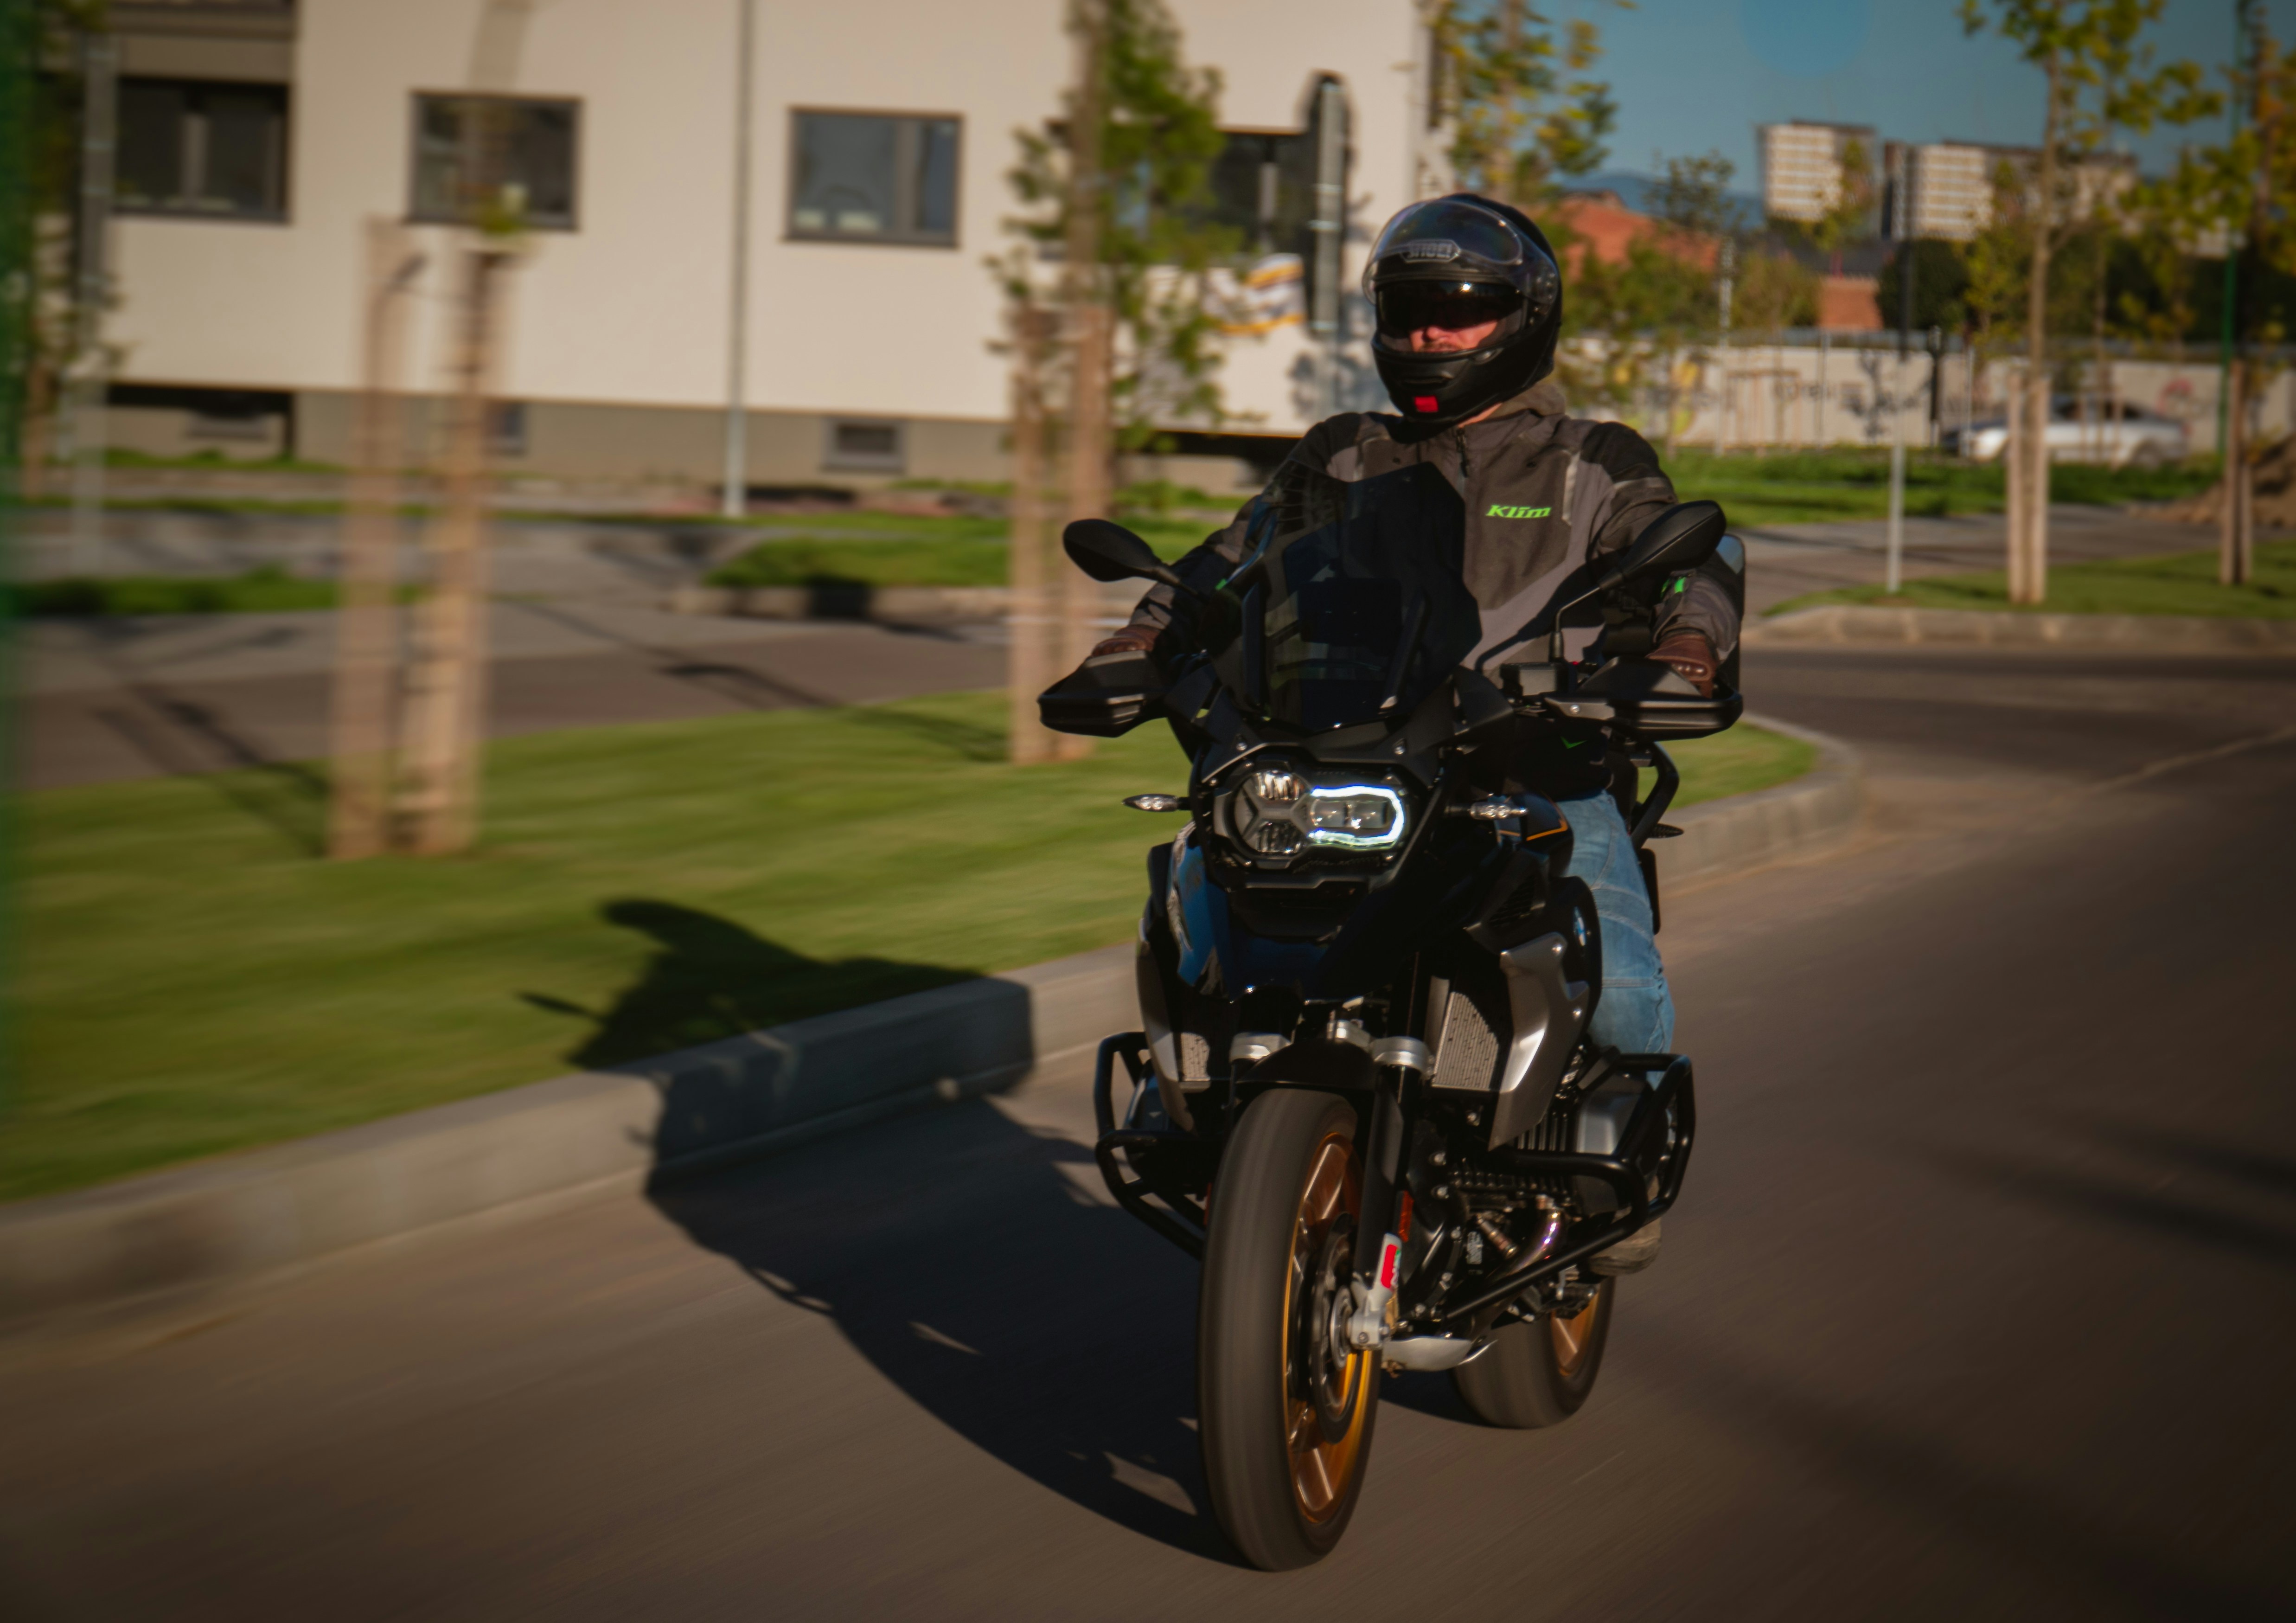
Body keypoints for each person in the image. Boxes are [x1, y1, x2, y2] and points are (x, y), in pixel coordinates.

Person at [1091, 193, 1737, 1131]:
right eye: (1407, 309)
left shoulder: (1590, 461)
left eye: (1458, 304)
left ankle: (1619, 1136)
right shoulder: (1345, 454)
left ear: (1524, 317)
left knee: (1622, 991)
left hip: (1527, 761)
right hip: (1340, 754)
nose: (1430, 329)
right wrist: (1140, 640)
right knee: (1204, 925)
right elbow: (1228, 563)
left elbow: (1690, 562)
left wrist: (1687, 646)